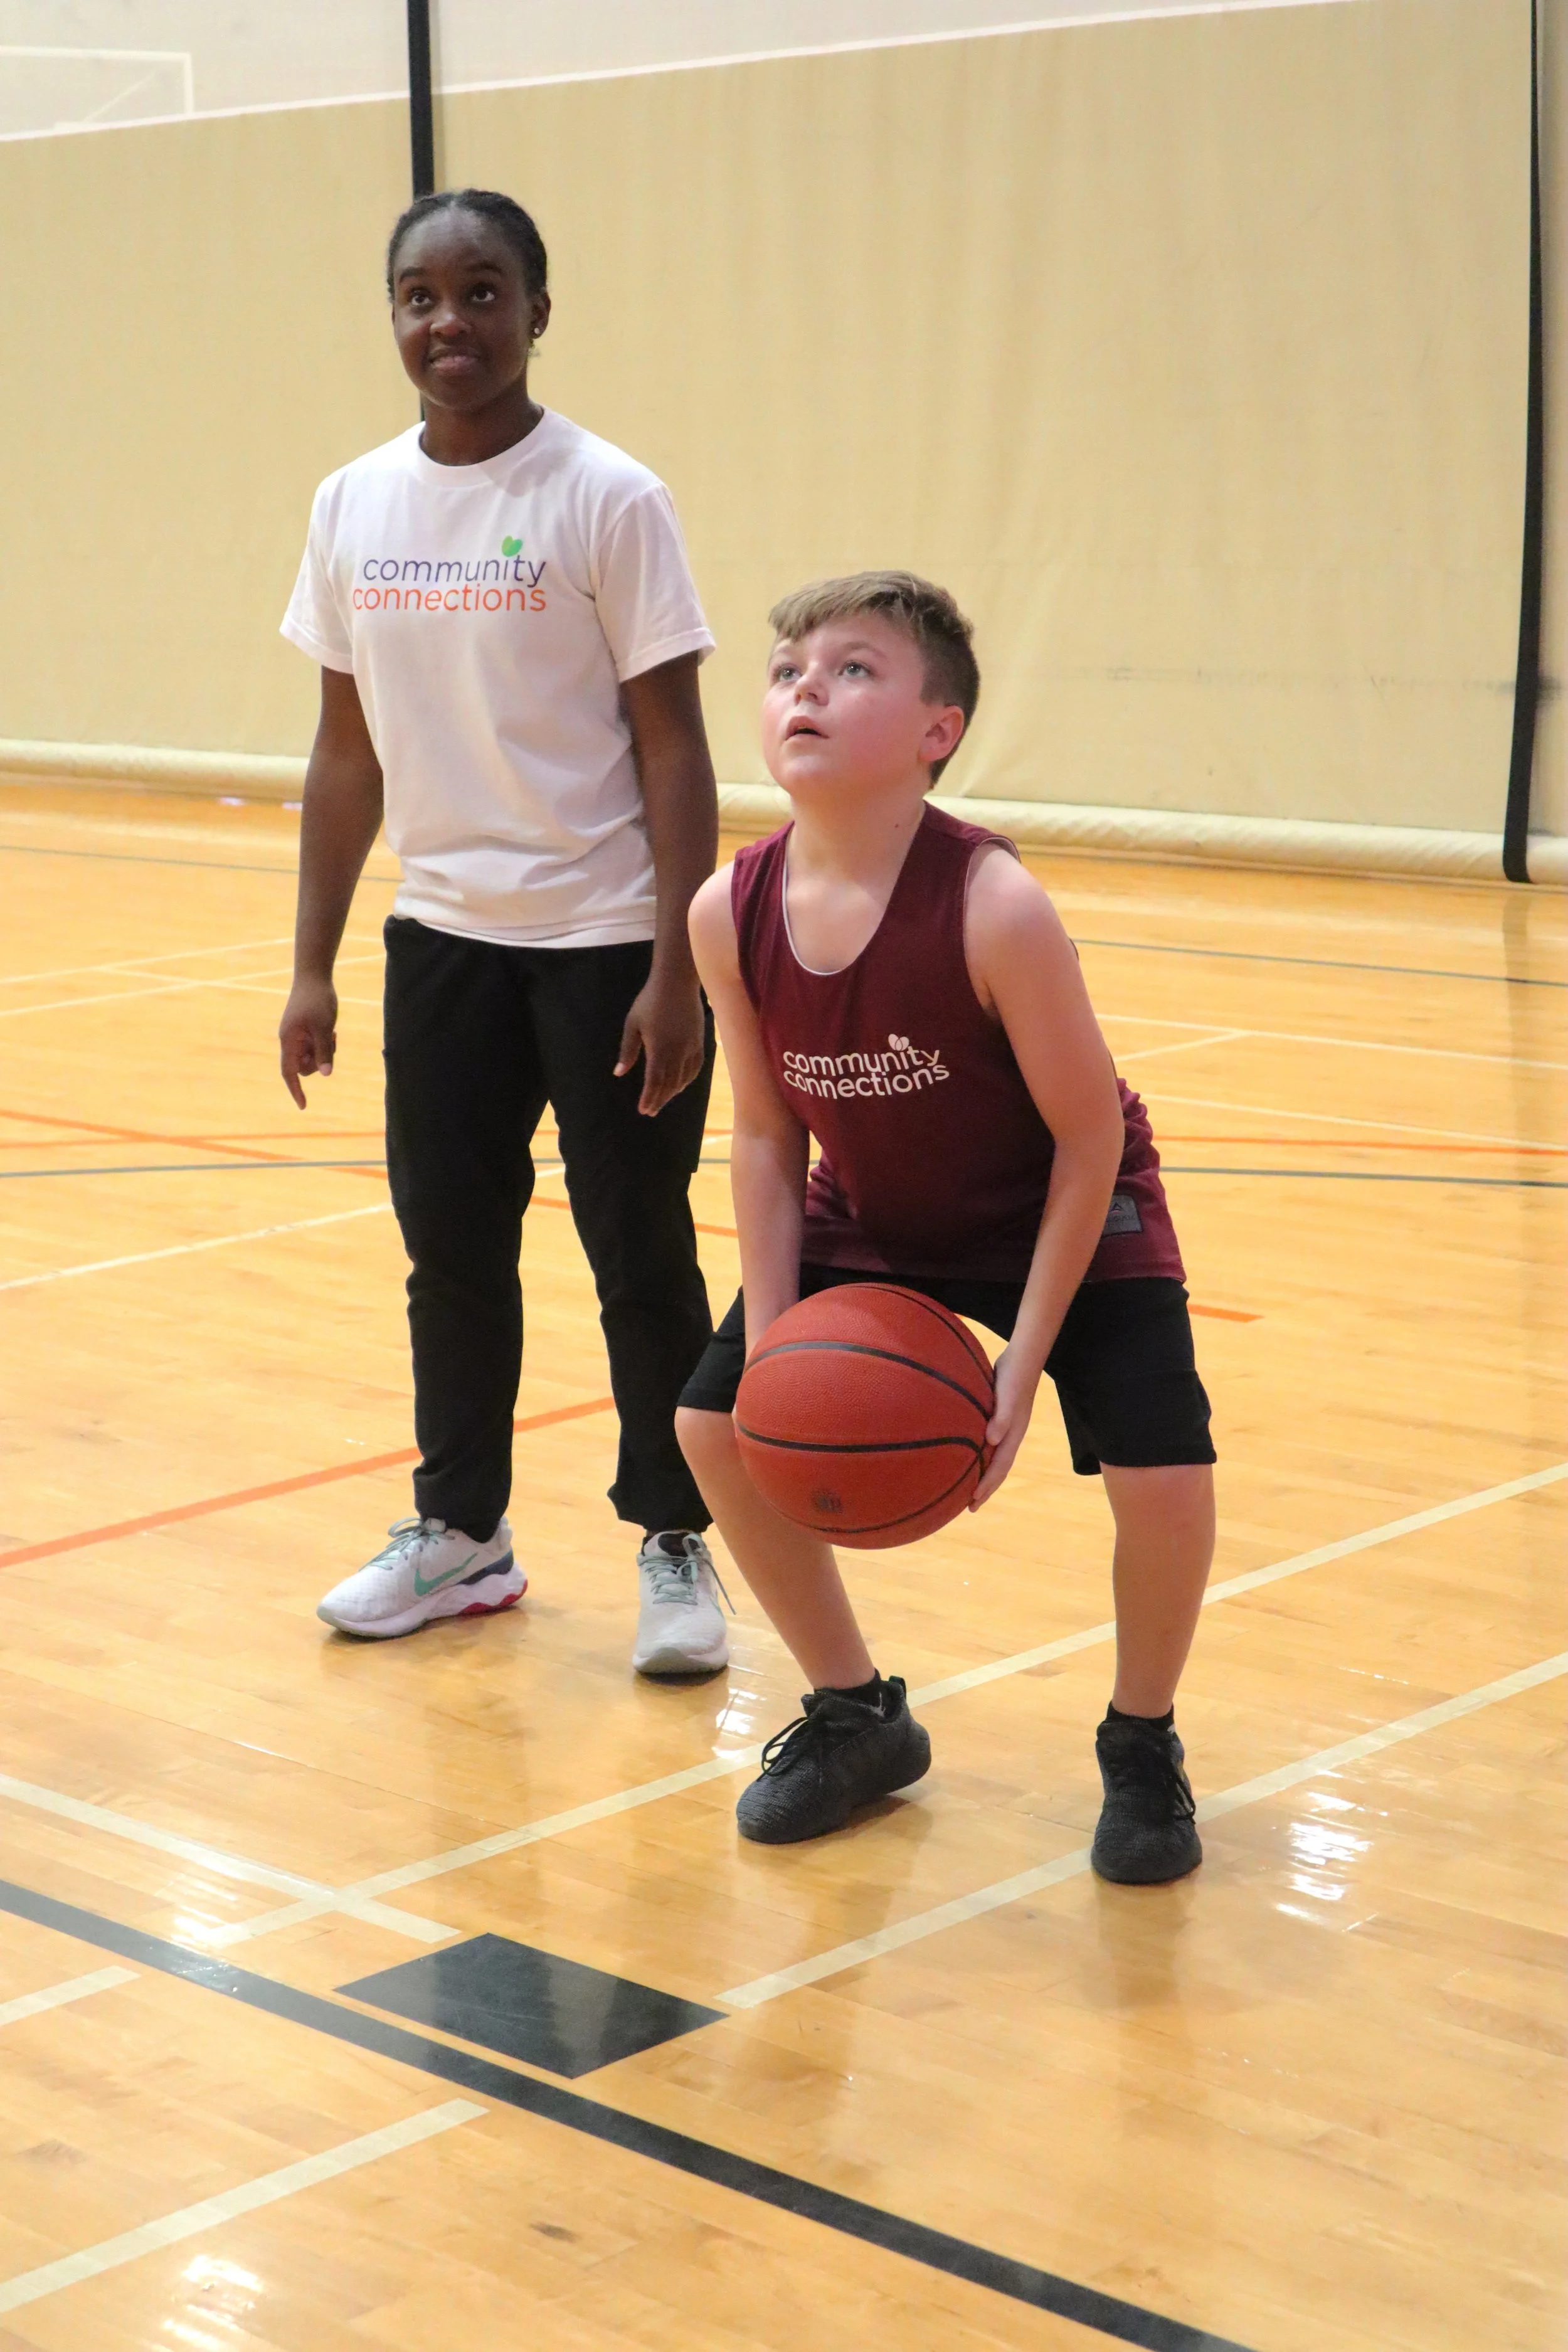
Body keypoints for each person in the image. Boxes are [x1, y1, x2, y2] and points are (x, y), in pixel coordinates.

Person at [675, 572, 1217, 1879]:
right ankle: (855, 1715)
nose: (806, 686)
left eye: (852, 669)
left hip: (1057, 1204)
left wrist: (1019, 1365)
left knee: (1161, 1472)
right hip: (870, 1206)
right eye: (787, 668)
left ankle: (1140, 1740)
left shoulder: (992, 907)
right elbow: (762, 1132)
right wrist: (766, 1338)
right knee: (710, 1424)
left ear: (938, 728)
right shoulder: (724, 911)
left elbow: (1087, 1138)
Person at [277, 188, 729, 1677]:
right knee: (451, 1259)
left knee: (637, 1253)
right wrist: (312, 962)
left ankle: (677, 1539)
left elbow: (672, 742)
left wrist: (680, 962)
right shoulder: (352, 503)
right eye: (419, 295)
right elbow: (346, 752)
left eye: (482, 293)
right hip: (445, 944)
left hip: (606, 946)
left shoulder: (609, 496)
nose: (447, 322)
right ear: (391, 314)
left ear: (539, 310)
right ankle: (460, 1536)